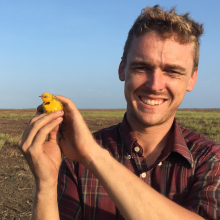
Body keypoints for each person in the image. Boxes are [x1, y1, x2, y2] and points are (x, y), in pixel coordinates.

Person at [18, 5, 220, 220]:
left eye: (172, 71)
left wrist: (92, 155)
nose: (155, 85)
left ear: (192, 78)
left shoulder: (209, 159)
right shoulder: (74, 159)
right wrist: (46, 186)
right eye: (141, 67)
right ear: (122, 69)